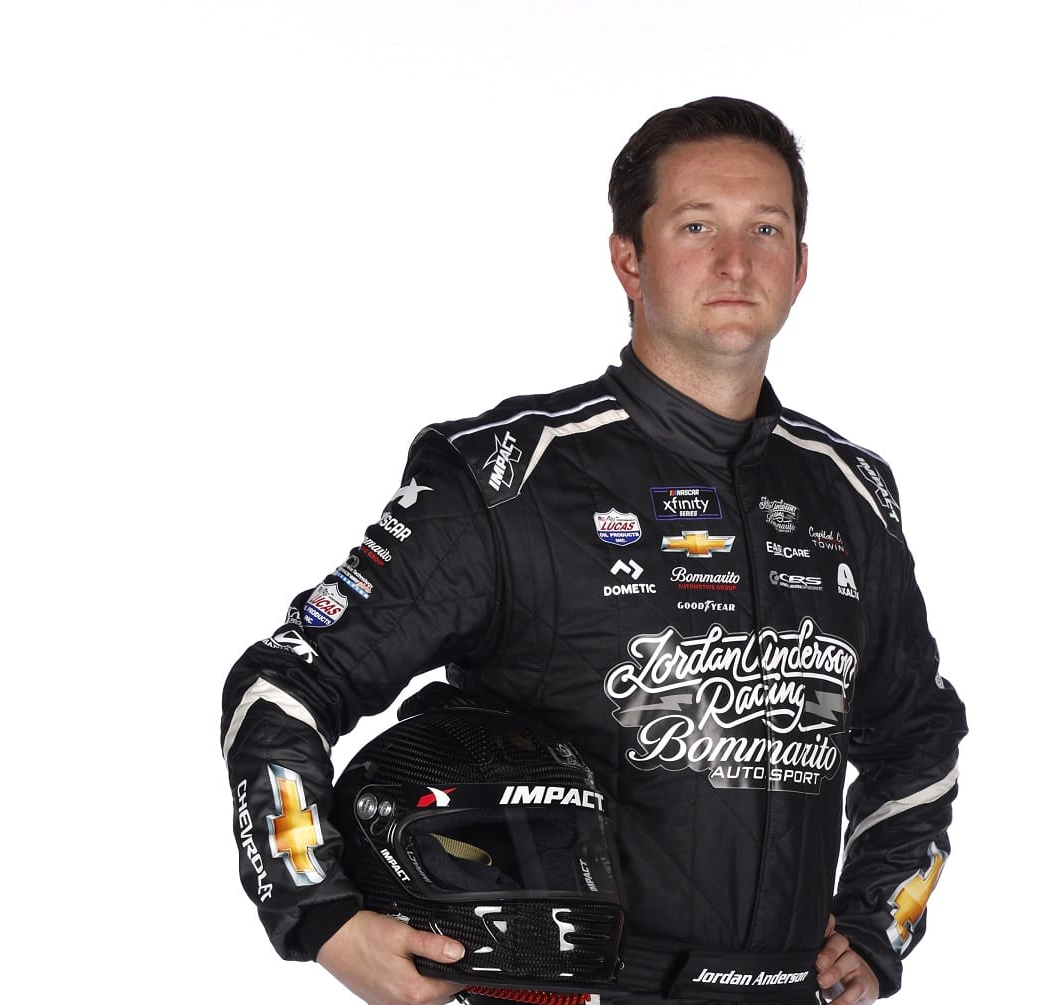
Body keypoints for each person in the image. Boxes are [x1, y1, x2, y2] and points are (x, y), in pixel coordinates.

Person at [221, 96, 968, 1005]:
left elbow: (918, 734)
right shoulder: (506, 477)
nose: (736, 261)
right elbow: (283, 683)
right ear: (629, 257)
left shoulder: (851, 492)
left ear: (802, 266)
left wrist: (879, 920)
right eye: (698, 226)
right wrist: (319, 913)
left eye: (766, 228)